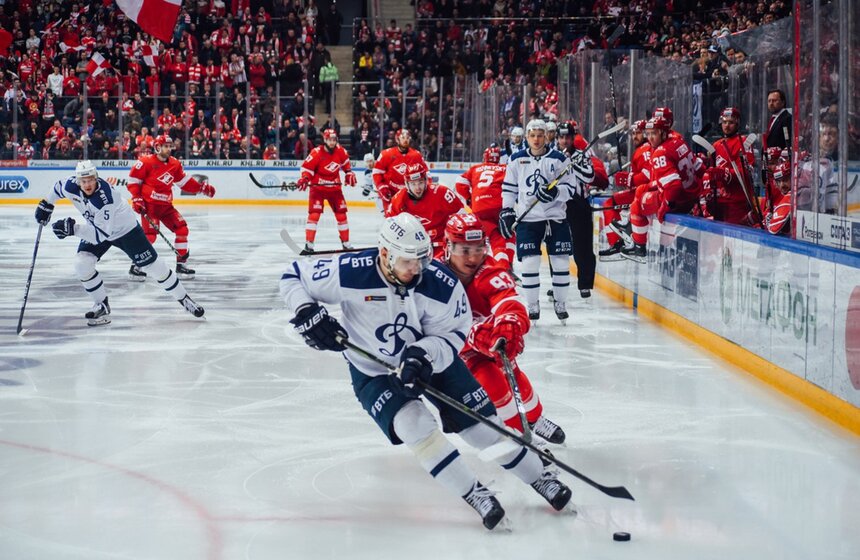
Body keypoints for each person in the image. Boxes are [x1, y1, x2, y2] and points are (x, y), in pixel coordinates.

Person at [279, 213, 573, 531]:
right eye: (407, 261)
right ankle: (475, 493)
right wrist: (305, 310)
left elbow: (456, 334)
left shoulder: (441, 285)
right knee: (416, 429)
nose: (416, 269)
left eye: (422, 259)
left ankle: (539, 477)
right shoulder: (350, 272)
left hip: (436, 363)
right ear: (384, 255)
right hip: (373, 372)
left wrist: (424, 355)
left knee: (483, 430)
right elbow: (293, 276)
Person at [34, 161, 204, 326]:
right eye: (84, 181)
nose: (87, 184)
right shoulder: (70, 185)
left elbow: (100, 236)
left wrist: (73, 229)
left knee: (155, 268)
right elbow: (57, 188)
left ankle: (184, 299)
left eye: (91, 180)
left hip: (126, 231)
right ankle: (101, 305)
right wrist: (46, 204)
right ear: (78, 181)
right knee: (82, 264)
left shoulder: (104, 198)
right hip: (99, 228)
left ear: (96, 178)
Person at [443, 214, 566, 443]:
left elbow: (509, 300)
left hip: (488, 335)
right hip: (452, 346)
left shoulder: (490, 270)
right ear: (447, 246)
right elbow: (434, 321)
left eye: (479, 248)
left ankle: (535, 419)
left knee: (511, 370)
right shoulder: (436, 276)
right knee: (491, 379)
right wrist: (472, 334)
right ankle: (516, 434)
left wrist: (510, 325)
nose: (473, 257)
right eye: (464, 250)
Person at [499, 119, 593, 323]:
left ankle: (560, 303)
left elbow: (571, 188)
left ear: (546, 137)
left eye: (540, 135)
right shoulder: (516, 159)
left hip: (555, 218)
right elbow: (509, 188)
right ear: (526, 137)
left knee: (560, 263)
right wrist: (506, 211)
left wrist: (555, 193)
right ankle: (533, 304)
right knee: (530, 264)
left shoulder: (559, 159)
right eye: (532, 135)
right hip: (528, 218)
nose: (536, 139)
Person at [127, 134, 216, 280]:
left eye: (170, 146)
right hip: (150, 206)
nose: (169, 149)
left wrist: (200, 188)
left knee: (182, 229)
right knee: (150, 236)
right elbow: (133, 181)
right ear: (157, 147)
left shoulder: (175, 164)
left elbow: (184, 182)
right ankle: (136, 266)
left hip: (166, 207)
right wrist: (136, 198)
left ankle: (181, 265)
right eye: (166, 146)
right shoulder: (145, 162)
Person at [622, 117, 700, 262]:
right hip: (691, 195)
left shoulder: (660, 153)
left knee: (637, 204)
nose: (650, 138)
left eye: (654, 133)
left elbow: (674, 185)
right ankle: (631, 229)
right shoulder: (679, 141)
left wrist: (666, 204)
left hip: (679, 199)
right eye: (648, 133)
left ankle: (639, 247)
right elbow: (699, 167)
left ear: (663, 133)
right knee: (640, 190)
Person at [297, 128, 357, 254]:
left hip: (335, 189)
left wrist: (349, 173)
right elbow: (306, 168)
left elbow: (346, 165)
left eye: (334, 140)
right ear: (325, 140)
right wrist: (305, 178)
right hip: (318, 188)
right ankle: (309, 244)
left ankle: (346, 243)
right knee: (314, 215)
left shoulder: (341, 151)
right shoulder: (316, 153)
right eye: (329, 140)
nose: (332, 142)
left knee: (342, 215)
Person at [454, 145, 514, 268]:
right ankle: (506, 266)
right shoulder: (504, 168)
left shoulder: (475, 168)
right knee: (508, 235)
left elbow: (459, 183)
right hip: (498, 208)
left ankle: (476, 266)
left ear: (484, 157)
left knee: (490, 239)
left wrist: (470, 199)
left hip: (479, 209)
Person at [386, 168, 464, 259]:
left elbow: (462, 216)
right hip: (414, 250)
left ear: (426, 180)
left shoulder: (442, 193)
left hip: (442, 248)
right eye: (413, 184)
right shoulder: (398, 200)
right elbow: (390, 227)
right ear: (407, 184)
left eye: (420, 182)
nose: (418, 187)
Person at [600, 119, 650, 260]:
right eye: (633, 133)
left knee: (609, 203)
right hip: (641, 191)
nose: (635, 136)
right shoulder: (643, 149)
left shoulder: (644, 150)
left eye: (638, 133)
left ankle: (618, 242)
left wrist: (629, 178)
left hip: (644, 192)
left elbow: (647, 176)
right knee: (611, 202)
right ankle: (622, 237)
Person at [703, 107, 758, 225]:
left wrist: (725, 173)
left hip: (737, 203)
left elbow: (747, 173)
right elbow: (712, 173)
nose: (727, 126)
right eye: (724, 122)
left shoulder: (744, 143)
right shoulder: (716, 145)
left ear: (737, 124)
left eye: (731, 122)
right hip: (718, 202)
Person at [372, 129, 427, 213]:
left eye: (407, 137)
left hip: (410, 193)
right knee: (392, 218)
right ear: (397, 139)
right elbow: (377, 173)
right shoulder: (386, 154)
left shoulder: (416, 155)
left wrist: (427, 188)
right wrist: (381, 186)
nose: (405, 140)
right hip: (391, 192)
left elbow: (425, 173)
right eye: (403, 137)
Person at [763, 161, 792, 236]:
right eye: (779, 181)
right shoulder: (776, 195)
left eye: (785, 180)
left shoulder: (795, 195)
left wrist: (769, 222)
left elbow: (773, 227)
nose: (782, 185)